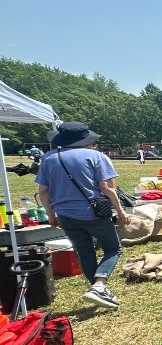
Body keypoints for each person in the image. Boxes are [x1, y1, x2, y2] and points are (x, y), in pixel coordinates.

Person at [35, 121, 131, 309]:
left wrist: (50, 214)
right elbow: (108, 188)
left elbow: (43, 191)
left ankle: (97, 289)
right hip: (93, 212)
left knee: (84, 251)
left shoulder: (49, 158)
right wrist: (120, 211)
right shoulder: (97, 157)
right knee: (113, 249)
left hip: (65, 215)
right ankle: (100, 285)